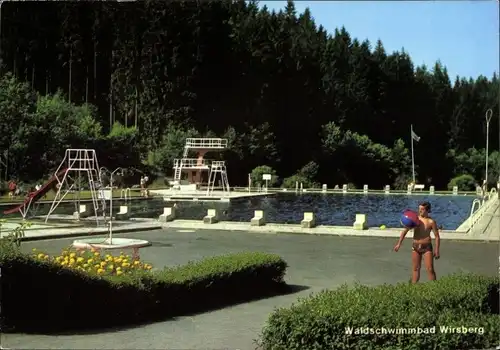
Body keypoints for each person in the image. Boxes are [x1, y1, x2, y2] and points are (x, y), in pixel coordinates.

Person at [393, 201, 440, 283]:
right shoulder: (415, 219)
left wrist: (437, 250)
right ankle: (414, 288)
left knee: (430, 269)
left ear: (427, 210)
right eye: (419, 209)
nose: (420, 211)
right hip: (416, 247)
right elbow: (405, 231)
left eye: (422, 209)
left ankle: (434, 287)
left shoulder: (431, 222)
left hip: (427, 247)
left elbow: (437, 237)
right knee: (415, 268)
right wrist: (399, 244)